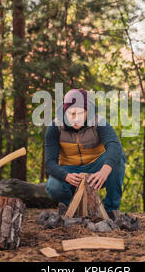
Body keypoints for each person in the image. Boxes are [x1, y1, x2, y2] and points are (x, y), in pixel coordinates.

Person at [45, 89, 126, 217]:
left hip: (96, 168)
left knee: (118, 157)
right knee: (53, 185)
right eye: (71, 113)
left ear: (88, 111)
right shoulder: (55, 127)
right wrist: (65, 175)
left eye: (81, 113)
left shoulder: (99, 122)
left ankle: (111, 209)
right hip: (70, 170)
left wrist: (105, 169)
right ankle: (69, 206)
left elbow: (115, 145)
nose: (75, 118)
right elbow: (50, 163)